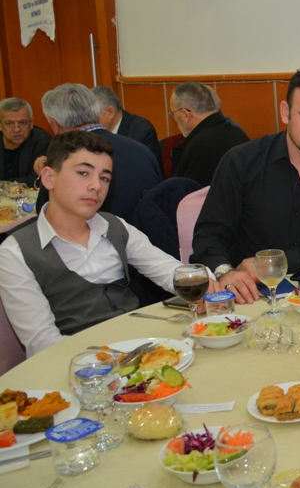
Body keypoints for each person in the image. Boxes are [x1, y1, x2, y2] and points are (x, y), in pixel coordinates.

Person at [0, 132, 226, 357]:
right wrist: (115, 355)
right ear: (49, 178)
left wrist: (207, 281)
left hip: (140, 347)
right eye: (83, 173)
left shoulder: (114, 226)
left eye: (104, 178)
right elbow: (43, 343)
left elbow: (167, 270)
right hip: (77, 363)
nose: (96, 186)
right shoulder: (15, 252)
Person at [191, 66, 300, 300]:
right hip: (249, 299)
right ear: (286, 113)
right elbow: (209, 235)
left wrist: (278, 262)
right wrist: (225, 272)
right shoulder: (241, 162)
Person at [34, 84, 162, 223]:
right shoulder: (142, 149)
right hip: (149, 232)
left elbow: (46, 215)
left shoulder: (65, 155)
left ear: (55, 125)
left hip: (98, 234)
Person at [168, 82, 249, 187]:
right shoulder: (235, 130)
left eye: (173, 114)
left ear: (185, 114)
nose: (174, 118)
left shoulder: (201, 148)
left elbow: (192, 195)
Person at [91, 86, 160, 161]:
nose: (89, 120)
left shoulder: (141, 131)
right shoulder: (92, 133)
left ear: (110, 112)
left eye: (93, 115)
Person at [0, 98, 50, 185]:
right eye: (9, 123)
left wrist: (3, 185)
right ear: (0, 125)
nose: (17, 129)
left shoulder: (42, 141)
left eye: (23, 122)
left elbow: (39, 179)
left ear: (31, 123)